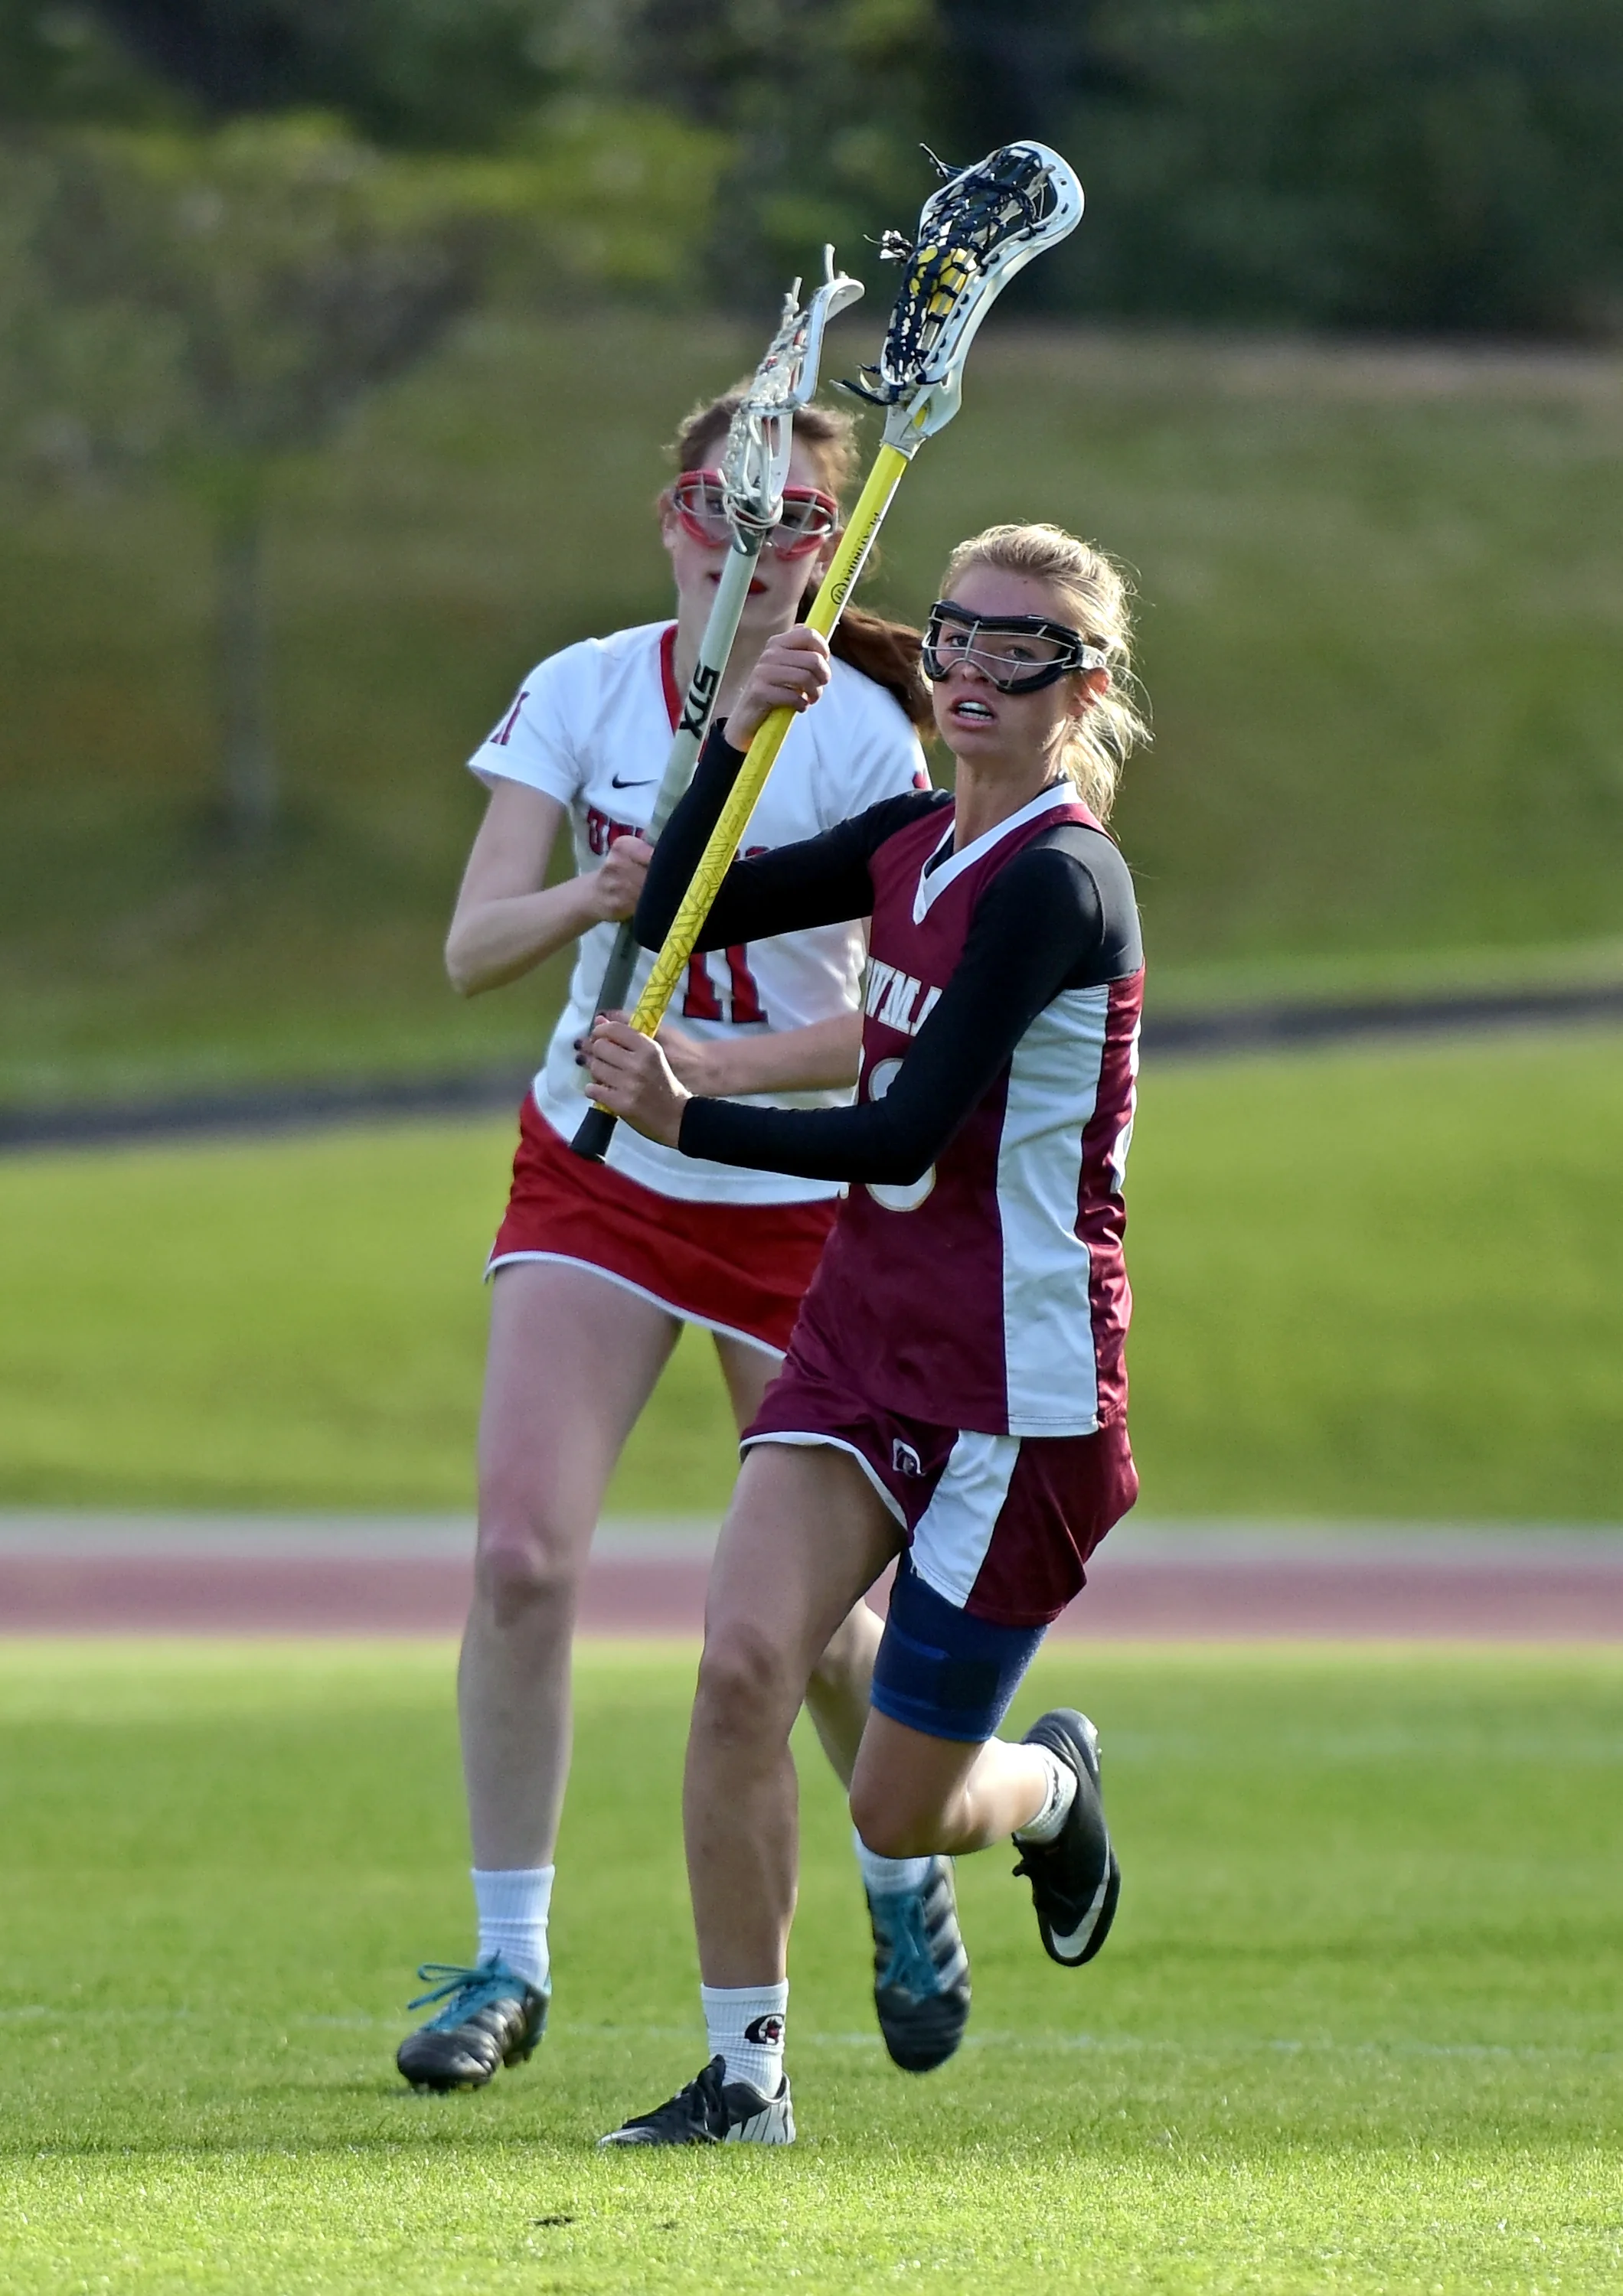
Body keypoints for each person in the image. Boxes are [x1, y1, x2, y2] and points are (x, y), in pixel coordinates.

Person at [395, 391, 972, 2095]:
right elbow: (468, 949)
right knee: (521, 1557)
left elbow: (887, 1034)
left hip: (790, 1187)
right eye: (729, 504)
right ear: (672, 514)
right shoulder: (581, 689)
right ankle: (506, 1964)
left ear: (829, 542)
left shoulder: (865, 729)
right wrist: (594, 900)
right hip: (596, 1180)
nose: (759, 535)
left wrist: (707, 1072)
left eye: (798, 515)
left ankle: (900, 1863)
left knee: (814, 1634)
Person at [584, 521, 1151, 2145]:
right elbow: (682, 901)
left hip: (1018, 1391)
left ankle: (1049, 1791)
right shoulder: (909, 835)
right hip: (863, 1343)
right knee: (739, 1667)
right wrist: (740, 724)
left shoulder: (1059, 882)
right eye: (958, 635)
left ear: (1081, 687)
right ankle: (743, 2079)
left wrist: (690, 1123)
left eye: (1018, 648)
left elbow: (902, 1133)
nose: (970, 667)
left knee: (905, 1804)